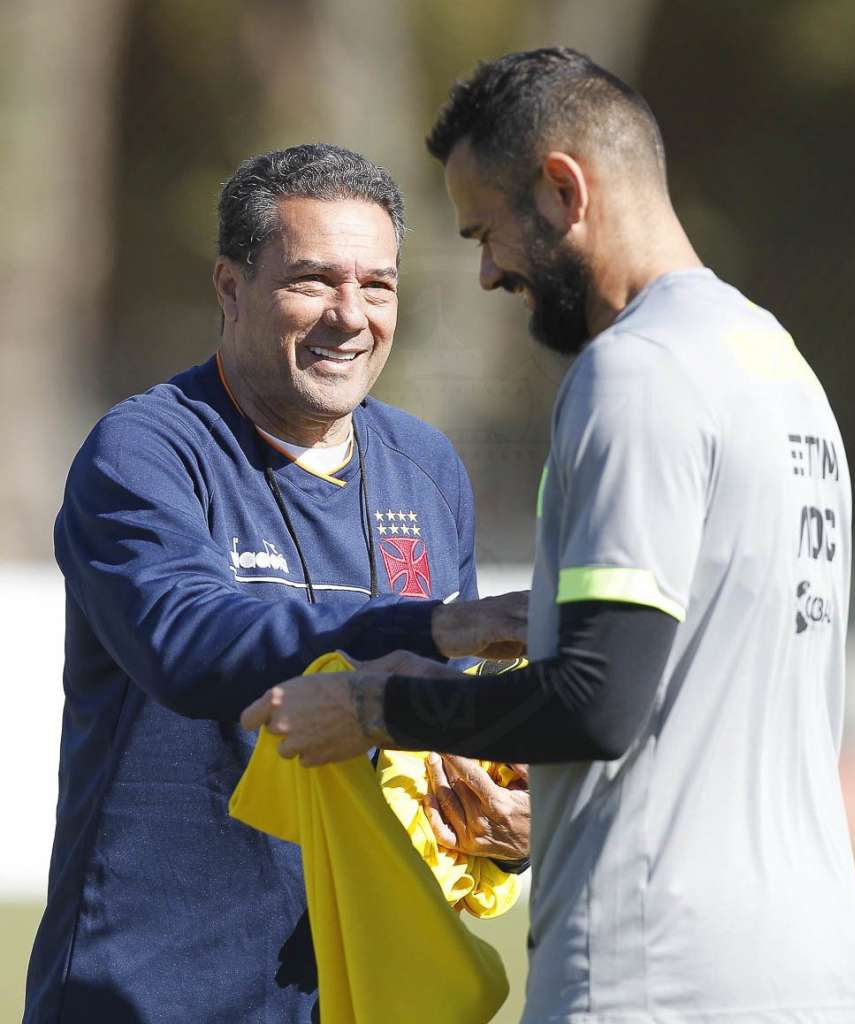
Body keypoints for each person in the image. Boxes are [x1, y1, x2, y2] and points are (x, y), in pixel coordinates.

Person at [245, 51, 855, 1023]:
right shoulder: (778, 370)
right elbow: (681, 677)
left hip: (655, 970)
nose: (488, 268)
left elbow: (595, 698)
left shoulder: (634, 372)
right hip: (815, 967)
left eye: (486, 230)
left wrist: (374, 705)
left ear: (561, 189)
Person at [24, 143, 529, 1024]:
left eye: (378, 286)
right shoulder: (145, 451)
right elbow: (190, 642)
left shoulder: (427, 468)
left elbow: (446, 722)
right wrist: (436, 627)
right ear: (229, 286)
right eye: (312, 280)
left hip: (358, 993)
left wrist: (515, 824)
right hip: (150, 993)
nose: (351, 315)